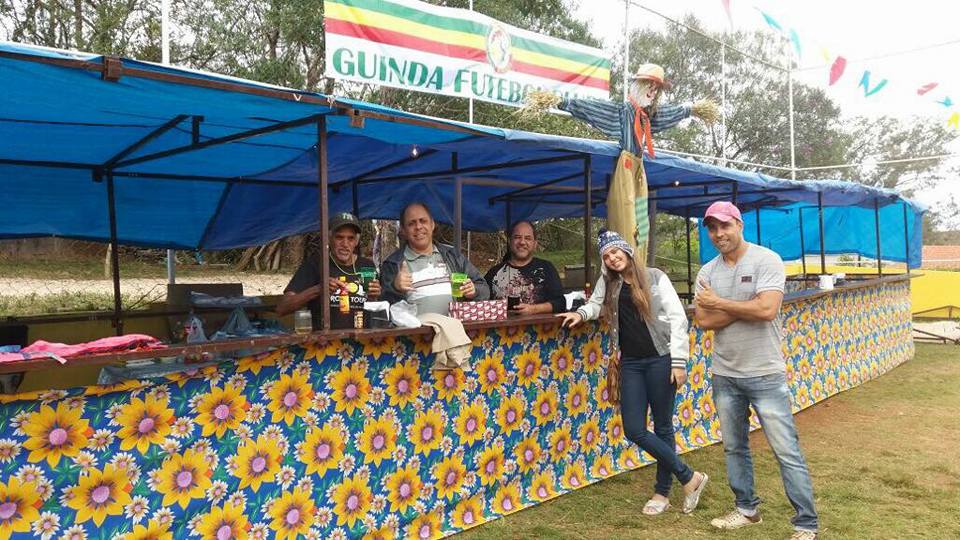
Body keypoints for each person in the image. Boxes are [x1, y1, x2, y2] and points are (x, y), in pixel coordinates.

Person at [557, 229, 709, 516]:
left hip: (661, 359)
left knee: (663, 427)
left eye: (615, 252)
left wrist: (679, 362)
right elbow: (595, 304)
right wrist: (580, 314)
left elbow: (678, 318)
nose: (612, 259)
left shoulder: (655, 276)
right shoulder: (608, 281)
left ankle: (662, 493)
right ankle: (690, 477)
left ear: (626, 251)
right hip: (631, 363)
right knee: (634, 429)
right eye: (606, 256)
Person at [694, 201, 819, 540]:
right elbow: (703, 320)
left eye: (725, 226)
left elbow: (767, 310)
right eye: (712, 228)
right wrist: (745, 305)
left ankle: (806, 524)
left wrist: (720, 304)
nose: (719, 233)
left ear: (739, 224)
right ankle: (747, 509)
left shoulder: (767, 260)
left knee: (786, 450)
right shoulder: (707, 272)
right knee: (734, 447)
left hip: (764, 372)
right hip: (725, 373)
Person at [380, 202, 489, 316]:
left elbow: (484, 289)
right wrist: (395, 288)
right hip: (416, 327)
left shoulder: (453, 256)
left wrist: (474, 291)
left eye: (423, 221)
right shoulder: (392, 264)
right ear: (403, 230)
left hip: (453, 324)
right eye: (411, 223)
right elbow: (382, 310)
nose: (418, 227)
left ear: (432, 224)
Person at [277, 212, 381, 329]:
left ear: (356, 241)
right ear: (329, 238)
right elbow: (282, 308)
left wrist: (374, 298)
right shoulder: (316, 263)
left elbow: (378, 313)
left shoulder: (367, 266)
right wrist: (318, 289)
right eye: (339, 237)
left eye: (350, 238)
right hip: (325, 339)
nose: (345, 244)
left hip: (361, 338)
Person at [484, 220, 565, 315]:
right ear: (509, 241)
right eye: (517, 237)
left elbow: (560, 303)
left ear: (535, 244)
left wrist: (534, 309)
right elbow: (481, 304)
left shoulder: (546, 268)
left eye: (528, 238)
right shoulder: (494, 273)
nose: (522, 242)